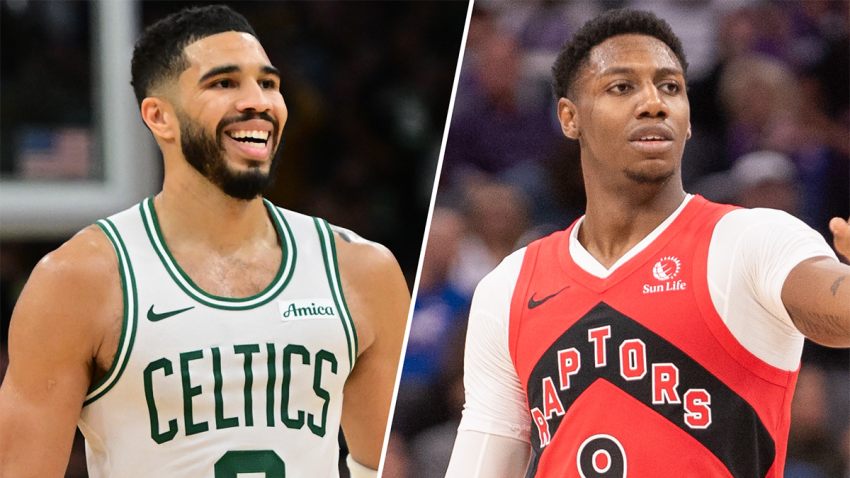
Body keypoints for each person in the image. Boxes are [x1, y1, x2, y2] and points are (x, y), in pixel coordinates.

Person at [0, 6, 409, 477]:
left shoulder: (360, 270)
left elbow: (383, 464)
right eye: (224, 83)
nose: (258, 101)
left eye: (269, 83)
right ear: (160, 118)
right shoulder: (77, 281)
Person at [444, 9, 850, 478]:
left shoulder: (749, 239)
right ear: (569, 117)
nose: (654, 103)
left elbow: (836, 313)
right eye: (622, 87)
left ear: (690, 118)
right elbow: (483, 463)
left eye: (670, 87)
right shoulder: (508, 285)